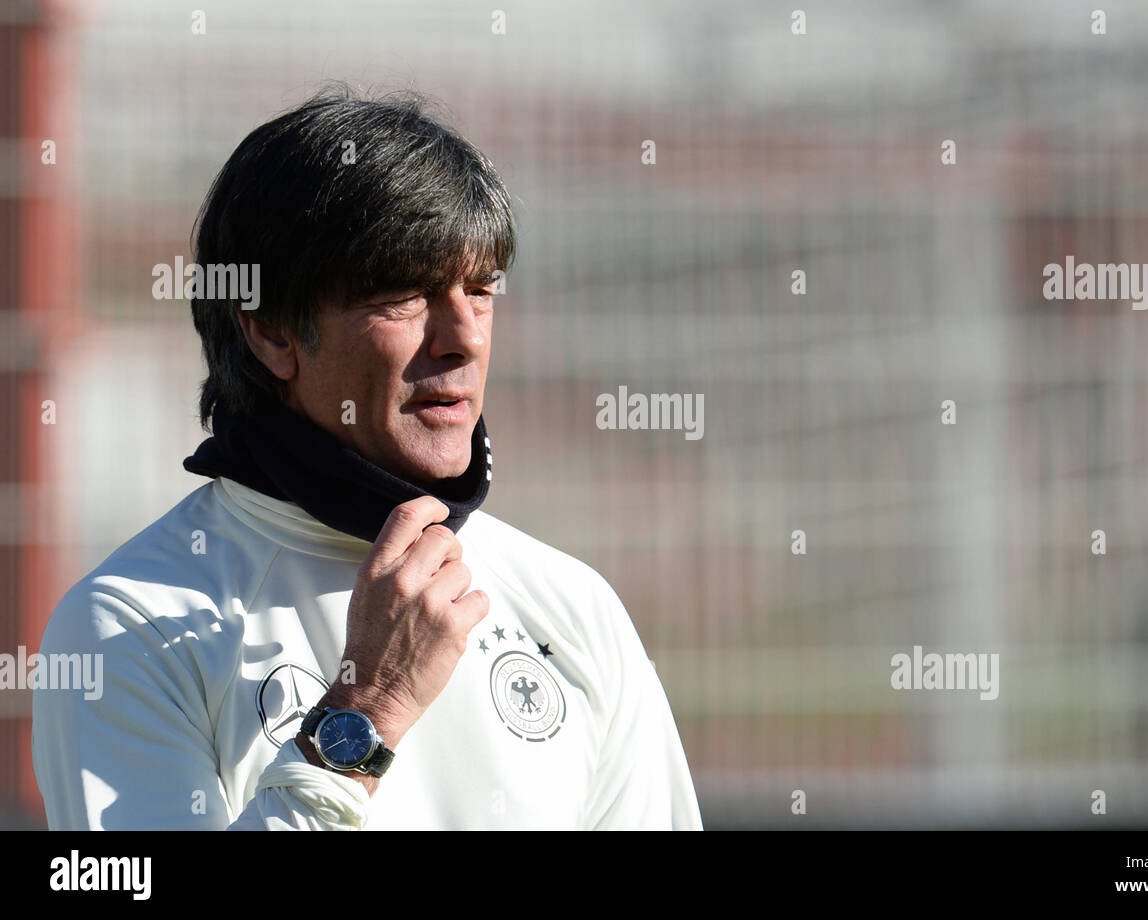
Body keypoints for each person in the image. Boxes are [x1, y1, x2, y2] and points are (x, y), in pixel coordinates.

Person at [31, 88, 703, 830]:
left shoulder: (574, 607)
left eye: (479, 291)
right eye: (405, 295)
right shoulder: (131, 628)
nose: (464, 337)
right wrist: (366, 712)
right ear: (272, 333)